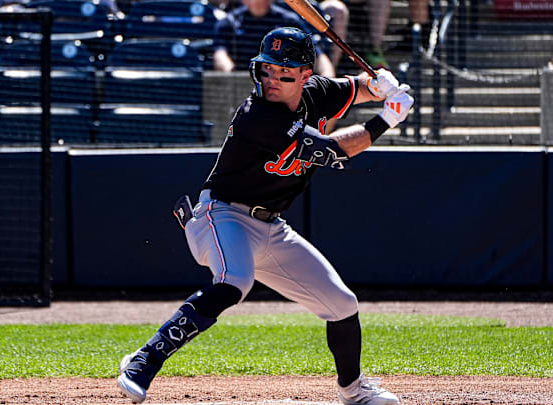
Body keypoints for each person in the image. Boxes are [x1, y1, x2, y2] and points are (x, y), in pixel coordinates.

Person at [117, 27, 413, 404]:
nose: (272, 80)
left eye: (285, 73)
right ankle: (143, 362)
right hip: (220, 216)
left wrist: (379, 82)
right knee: (234, 281)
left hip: (271, 226)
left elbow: (357, 87)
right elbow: (331, 153)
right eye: (266, 70)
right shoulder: (257, 115)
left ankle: (354, 392)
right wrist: (385, 119)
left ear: (306, 75)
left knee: (342, 304)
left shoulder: (318, 92)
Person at [213, 0, 346, 77]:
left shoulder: (289, 20)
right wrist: (230, 75)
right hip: (246, 86)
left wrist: (328, 79)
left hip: (286, 85)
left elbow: (316, 55)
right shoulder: (229, 22)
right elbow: (220, 56)